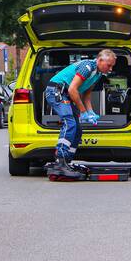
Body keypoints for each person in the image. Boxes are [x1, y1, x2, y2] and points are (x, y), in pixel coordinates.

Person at [44, 49, 117, 180]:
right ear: (100, 60)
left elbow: (86, 94)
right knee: (70, 122)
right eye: (109, 65)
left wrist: (90, 112)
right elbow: (72, 89)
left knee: (77, 129)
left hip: (66, 93)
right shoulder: (87, 67)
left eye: (112, 66)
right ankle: (60, 160)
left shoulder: (98, 73)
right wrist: (83, 112)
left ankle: (67, 161)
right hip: (56, 90)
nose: (110, 69)